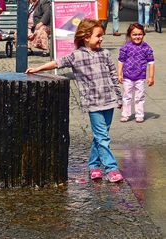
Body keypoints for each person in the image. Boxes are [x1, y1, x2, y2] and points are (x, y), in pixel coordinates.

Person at [25, 18, 124, 183]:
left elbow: (114, 76)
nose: (101, 39)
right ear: (86, 37)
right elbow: (58, 62)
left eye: (102, 36)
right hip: (93, 104)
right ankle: (111, 168)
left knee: (101, 136)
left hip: (109, 100)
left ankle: (93, 165)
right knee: (102, 137)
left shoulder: (105, 54)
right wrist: (38, 68)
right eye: (98, 36)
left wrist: (119, 97)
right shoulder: (76, 56)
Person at [118, 23, 155, 123]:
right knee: (127, 96)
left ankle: (139, 114)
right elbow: (121, 61)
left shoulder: (146, 48)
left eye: (140, 34)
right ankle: (125, 114)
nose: (137, 36)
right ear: (130, 35)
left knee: (139, 97)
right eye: (134, 34)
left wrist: (151, 77)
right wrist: (119, 74)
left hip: (140, 77)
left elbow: (151, 63)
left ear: (143, 34)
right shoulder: (125, 48)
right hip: (127, 76)